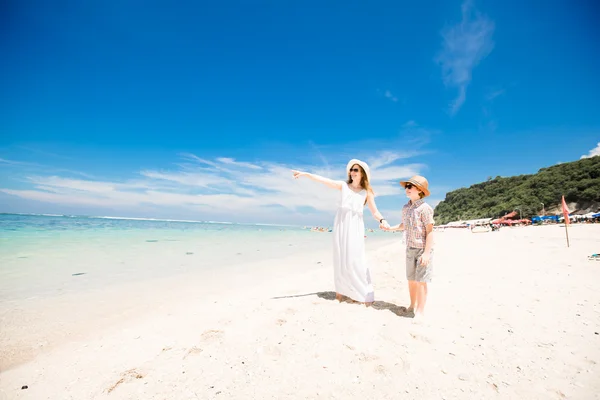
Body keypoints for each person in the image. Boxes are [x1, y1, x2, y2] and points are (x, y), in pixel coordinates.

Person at [292, 159, 390, 306]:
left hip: (355, 225)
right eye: (351, 170)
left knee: (355, 258)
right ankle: (340, 293)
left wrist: (382, 220)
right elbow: (324, 181)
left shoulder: (366, 192)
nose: (352, 172)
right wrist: (306, 174)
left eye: (355, 170)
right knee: (340, 257)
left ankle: (358, 292)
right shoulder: (343, 185)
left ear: (362, 173)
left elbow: (374, 211)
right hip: (341, 223)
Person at [381, 175, 434, 317]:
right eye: (406, 186)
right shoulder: (406, 208)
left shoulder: (425, 208)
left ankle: (421, 311)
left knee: (421, 281)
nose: (407, 189)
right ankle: (412, 305)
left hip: (422, 249)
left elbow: (429, 232)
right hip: (409, 248)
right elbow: (404, 225)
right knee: (411, 280)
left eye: (410, 186)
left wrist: (427, 253)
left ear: (419, 190)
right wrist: (390, 228)